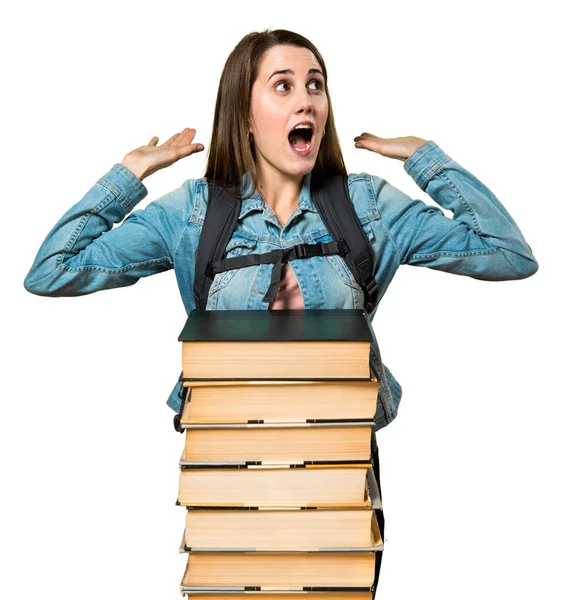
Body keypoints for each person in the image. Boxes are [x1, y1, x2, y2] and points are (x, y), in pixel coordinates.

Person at [23, 28, 538, 431]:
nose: (307, 100)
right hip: (230, 470)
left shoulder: (368, 206)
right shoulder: (193, 214)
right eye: (283, 85)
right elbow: (52, 271)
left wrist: (428, 160)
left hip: (339, 475)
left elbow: (508, 255)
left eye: (316, 84)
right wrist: (130, 172)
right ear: (245, 114)